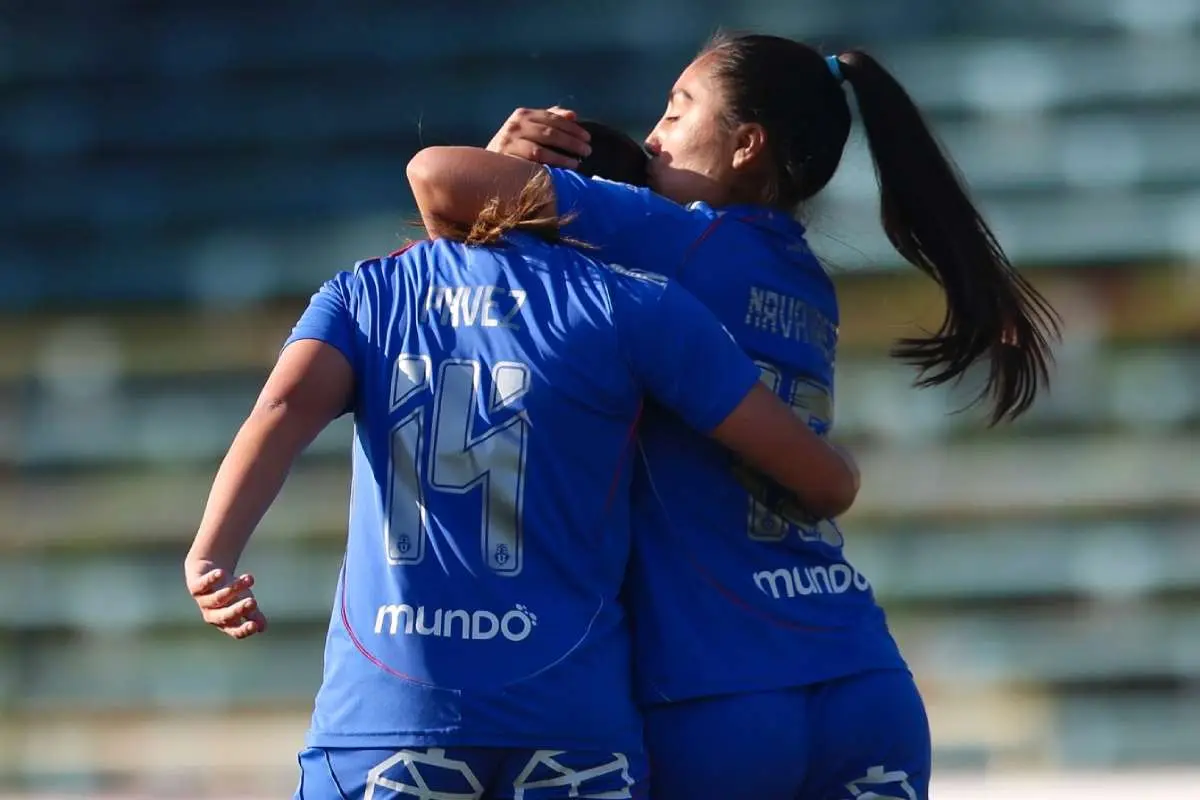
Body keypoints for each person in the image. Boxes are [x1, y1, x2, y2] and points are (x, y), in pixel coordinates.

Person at [406, 32, 1060, 800]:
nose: (653, 136)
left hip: (716, 691)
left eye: (677, 111)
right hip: (862, 676)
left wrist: (510, 160)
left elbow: (437, 178)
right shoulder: (805, 280)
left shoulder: (672, 239)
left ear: (747, 144)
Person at [183, 121, 861, 800]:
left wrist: (211, 553)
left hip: (390, 710)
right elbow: (819, 477)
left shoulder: (368, 291)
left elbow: (282, 410)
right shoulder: (637, 304)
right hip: (572, 717)